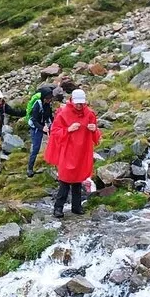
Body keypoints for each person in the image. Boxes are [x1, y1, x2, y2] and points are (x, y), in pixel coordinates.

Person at [46, 89, 100, 217]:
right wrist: (68, 129)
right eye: (77, 103)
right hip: (68, 151)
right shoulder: (63, 113)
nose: (79, 106)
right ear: (72, 100)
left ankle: (77, 207)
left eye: (81, 103)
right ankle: (58, 208)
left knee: (78, 179)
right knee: (64, 180)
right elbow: (54, 132)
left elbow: (97, 136)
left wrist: (94, 129)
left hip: (82, 152)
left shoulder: (89, 114)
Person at [26, 85, 57, 178]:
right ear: (44, 97)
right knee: (36, 148)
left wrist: (53, 125)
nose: (49, 100)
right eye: (48, 98)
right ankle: (30, 168)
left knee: (56, 139)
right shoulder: (37, 105)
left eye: (50, 98)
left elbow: (49, 116)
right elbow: (34, 120)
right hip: (36, 127)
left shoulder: (48, 104)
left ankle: (56, 162)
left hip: (44, 124)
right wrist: (42, 128)